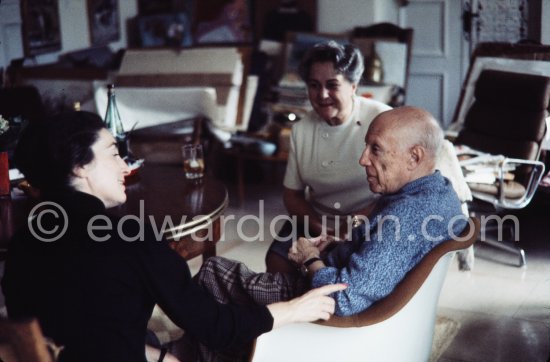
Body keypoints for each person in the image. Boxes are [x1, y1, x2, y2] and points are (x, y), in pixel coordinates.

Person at [0, 111, 345, 362]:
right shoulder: (130, 236)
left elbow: (80, 326)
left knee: (154, 343)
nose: (126, 165)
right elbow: (216, 326)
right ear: (80, 166)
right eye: (114, 154)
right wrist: (296, 308)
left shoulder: (22, 241)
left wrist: (158, 356)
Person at [196, 106, 468, 319]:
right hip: (339, 274)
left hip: (314, 301)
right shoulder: (440, 190)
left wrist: (310, 258)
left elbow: (343, 300)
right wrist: (342, 242)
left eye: (376, 149)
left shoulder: (407, 216)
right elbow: (386, 254)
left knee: (212, 272)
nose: (363, 159)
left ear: (415, 157)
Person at [265, 40, 392, 273]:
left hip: (370, 218)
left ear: (353, 86)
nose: (322, 95)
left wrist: (354, 224)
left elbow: (400, 189)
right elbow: (292, 195)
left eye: (332, 85)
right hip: (317, 219)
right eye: (314, 85)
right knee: (277, 262)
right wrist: (320, 228)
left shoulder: (382, 119)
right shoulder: (301, 130)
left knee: (346, 269)